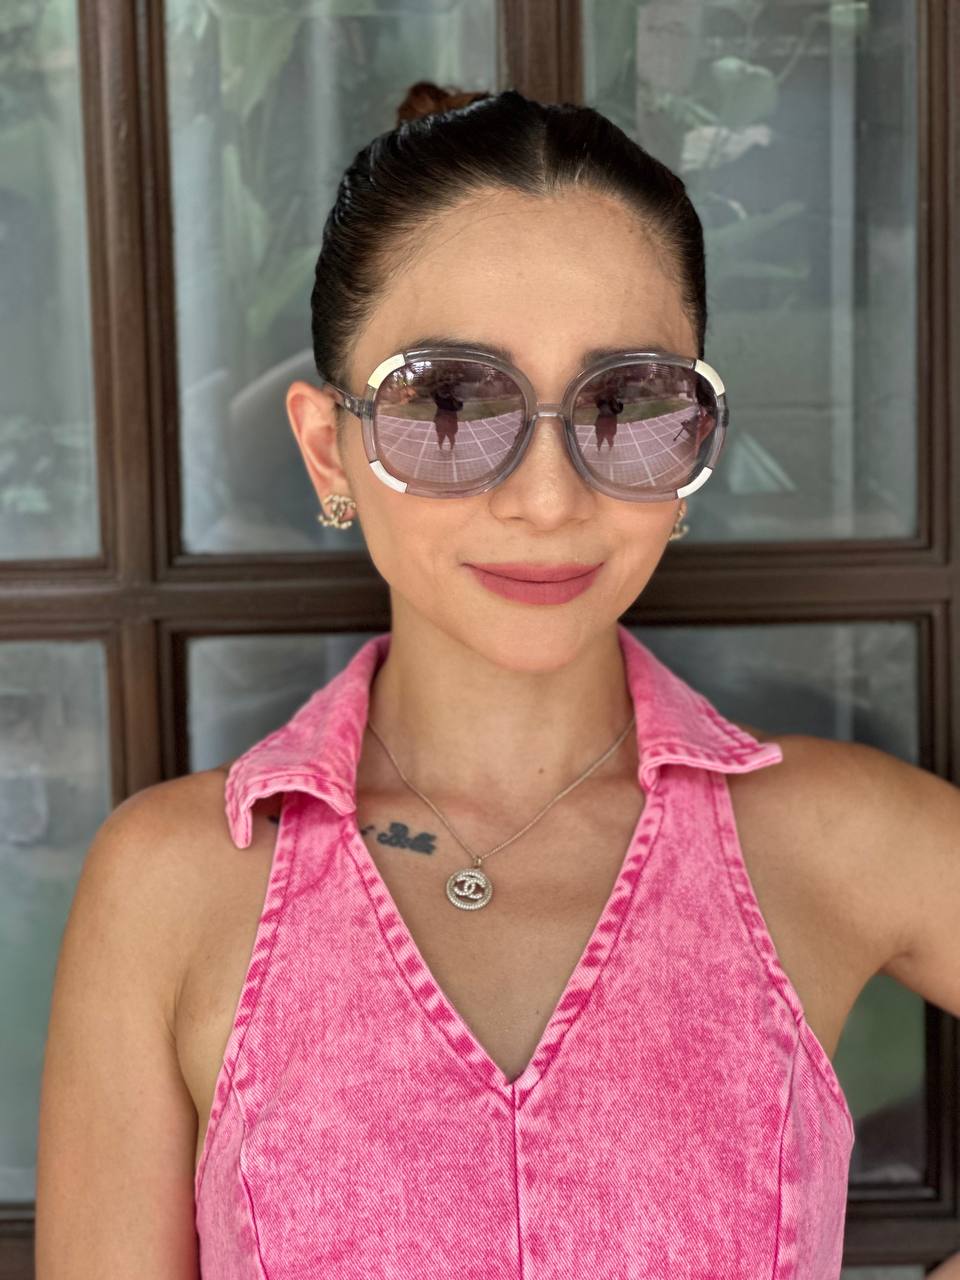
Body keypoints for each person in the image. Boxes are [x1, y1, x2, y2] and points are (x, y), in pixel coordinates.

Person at [34, 80, 960, 1279]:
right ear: (329, 449)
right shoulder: (169, 885)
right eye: (450, 402)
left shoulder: (835, 839)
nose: (548, 496)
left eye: (627, 403)